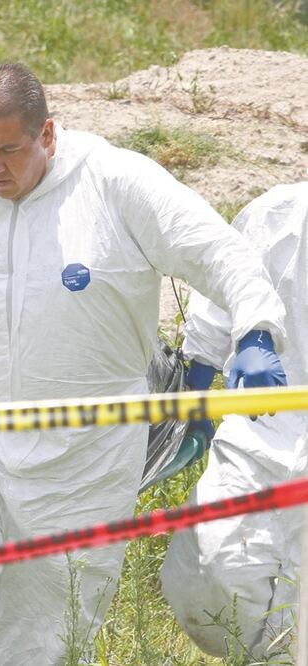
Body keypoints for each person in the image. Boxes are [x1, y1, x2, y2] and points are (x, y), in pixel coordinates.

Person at [0, 63, 288, 665]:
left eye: (9, 149)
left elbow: (217, 252)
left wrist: (255, 329)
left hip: (87, 453)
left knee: (48, 635)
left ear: (47, 134)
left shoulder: (116, 184)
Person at [161, 181, 307, 660]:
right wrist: (195, 399)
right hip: (260, 431)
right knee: (206, 570)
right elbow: (218, 307)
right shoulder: (277, 215)